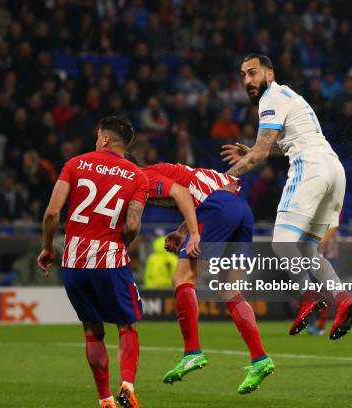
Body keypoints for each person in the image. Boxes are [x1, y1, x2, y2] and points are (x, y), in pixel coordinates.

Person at [222, 54, 352, 340]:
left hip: (310, 168)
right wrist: (253, 150)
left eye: (253, 73)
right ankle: (342, 298)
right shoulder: (289, 96)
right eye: (243, 75)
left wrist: (224, 180)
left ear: (270, 74)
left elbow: (261, 154)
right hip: (334, 170)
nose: (248, 80)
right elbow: (280, 145)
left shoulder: (270, 98)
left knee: (281, 244)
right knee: (308, 251)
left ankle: (308, 295)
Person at [37, 116, 149, 408]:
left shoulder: (75, 164)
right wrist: (119, 245)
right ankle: (126, 385)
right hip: (109, 260)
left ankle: (105, 400)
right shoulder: (137, 176)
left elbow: (51, 213)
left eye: (98, 136)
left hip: (73, 262)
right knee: (127, 326)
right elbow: (134, 224)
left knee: (92, 330)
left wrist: (48, 248)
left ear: (105, 139)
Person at [143, 162, 273, 394]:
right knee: (229, 288)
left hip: (217, 208)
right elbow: (220, 191)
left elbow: (186, 195)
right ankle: (260, 358)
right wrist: (182, 231)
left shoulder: (142, 177)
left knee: (183, 279)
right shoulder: (192, 173)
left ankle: (192, 353)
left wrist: (193, 234)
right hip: (242, 210)